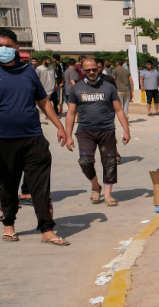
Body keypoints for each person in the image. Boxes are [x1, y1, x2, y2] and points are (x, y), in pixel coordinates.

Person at [0, 27, 71, 245]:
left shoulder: (28, 71)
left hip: (33, 137)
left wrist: (60, 126)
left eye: (7, 46)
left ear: (17, 48)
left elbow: (42, 101)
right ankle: (9, 224)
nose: (3, 49)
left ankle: (47, 229)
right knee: (7, 185)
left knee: (40, 185)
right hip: (0, 139)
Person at [65, 59, 130, 207]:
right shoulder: (77, 88)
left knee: (110, 163)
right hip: (85, 131)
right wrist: (68, 136)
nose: (92, 72)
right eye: (88, 70)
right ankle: (95, 185)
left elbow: (119, 110)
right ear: (82, 71)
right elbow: (70, 113)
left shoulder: (109, 87)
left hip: (107, 130)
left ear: (99, 69)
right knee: (85, 161)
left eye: (94, 69)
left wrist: (126, 130)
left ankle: (108, 195)